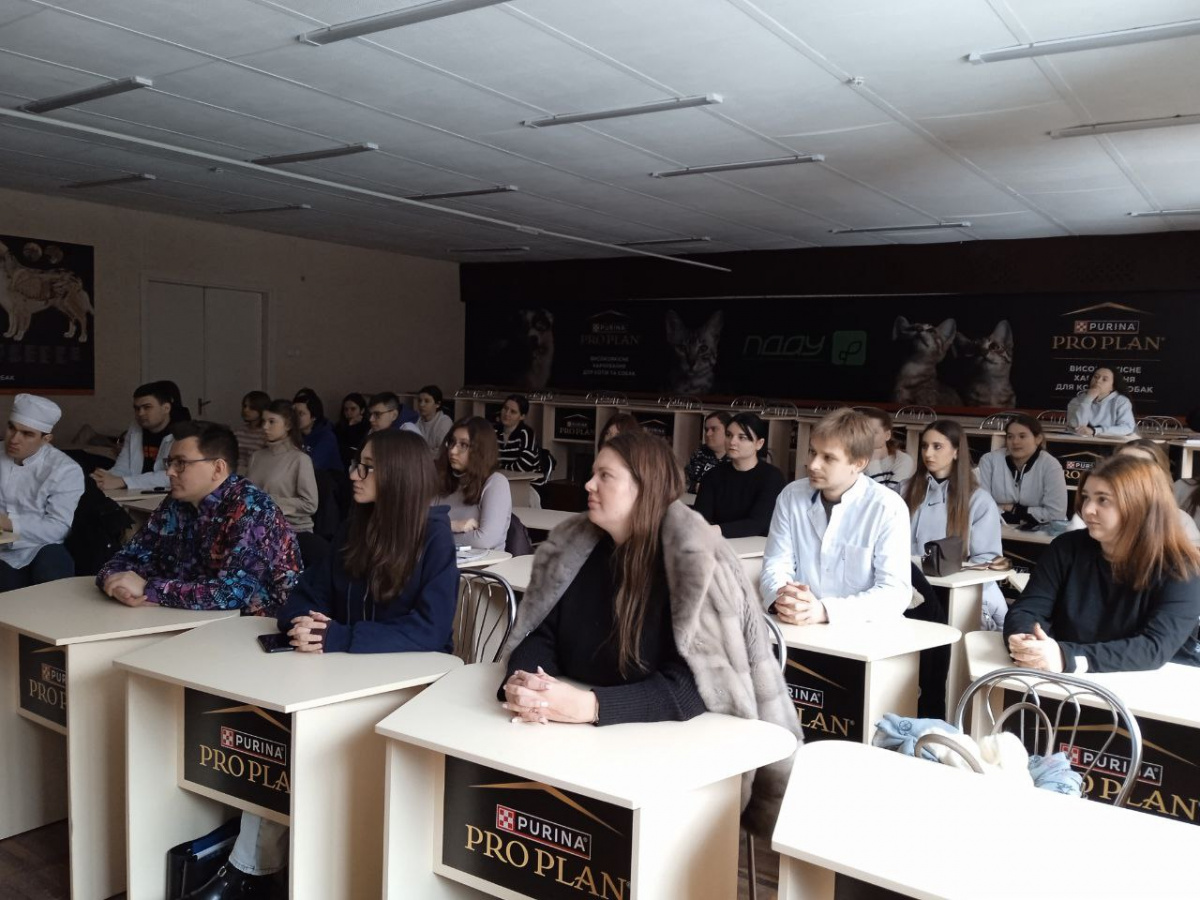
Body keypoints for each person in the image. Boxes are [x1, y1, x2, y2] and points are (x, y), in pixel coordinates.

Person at [181, 431, 463, 900]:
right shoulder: (356, 527)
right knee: (279, 731)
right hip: (343, 674)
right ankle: (255, 867)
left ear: (398, 477)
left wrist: (338, 637)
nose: (354, 474)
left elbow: (431, 631)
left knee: (298, 739)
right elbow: (303, 595)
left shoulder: (433, 537)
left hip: (410, 686)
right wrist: (303, 624)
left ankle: (260, 869)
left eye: (367, 467)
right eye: (357, 463)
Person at [497, 431, 799, 836]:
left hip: (670, 755)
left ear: (643, 489)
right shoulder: (580, 550)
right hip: (584, 744)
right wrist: (526, 683)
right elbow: (542, 634)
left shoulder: (691, 565)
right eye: (592, 473)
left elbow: (695, 686)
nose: (588, 485)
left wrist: (590, 706)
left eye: (605, 476)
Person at [1004, 454, 1200, 673]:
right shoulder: (1066, 547)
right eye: (1086, 497)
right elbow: (1027, 608)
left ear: (1139, 505)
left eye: (1103, 500)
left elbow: (1153, 648)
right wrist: (1026, 641)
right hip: (1065, 679)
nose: (1087, 509)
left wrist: (1067, 658)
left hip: (1151, 686)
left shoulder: (1182, 569)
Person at [96, 420, 302, 613]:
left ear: (218, 468)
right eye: (169, 462)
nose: (169, 472)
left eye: (181, 463)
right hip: (180, 616)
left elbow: (231, 594)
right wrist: (116, 583)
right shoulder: (175, 503)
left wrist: (149, 588)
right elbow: (127, 557)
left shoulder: (252, 510)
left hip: (250, 627)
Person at [760, 409, 911, 624]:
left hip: (862, 629)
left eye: (828, 458)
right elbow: (776, 564)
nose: (813, 464)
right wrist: (784, 598)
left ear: (859, 463)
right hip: (797, 624)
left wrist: (825, 611)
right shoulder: (791, 495)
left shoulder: (887, 507)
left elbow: (895, 592)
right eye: (812, 452)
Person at [906, 419, 1006, 629]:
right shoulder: (903, 490)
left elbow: (986, 560)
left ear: (956, 452)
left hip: (956, 592)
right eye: (924, 446)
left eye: (937, 446)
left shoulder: (979, 500)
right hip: (908, 587)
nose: (928, 453)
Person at [0, 394, 84, 591]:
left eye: (27, 434)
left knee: (53, 572)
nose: (14, 439)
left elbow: (58, 528)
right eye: (11, 428)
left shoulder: (64, 469)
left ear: (46, 439)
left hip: (40, 545)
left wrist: (8, 523)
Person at [693, 412, 785, 537]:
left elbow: (758, 523)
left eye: (742, 437)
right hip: (717, 543)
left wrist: (714, 530)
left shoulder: (772, 477)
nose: (732, 442)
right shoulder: (712, 476)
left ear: (759, 443)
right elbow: (700, 519)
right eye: (729, 435)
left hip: (756, 546)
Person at [976, 414, 1068, 526]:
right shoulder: (989, 461)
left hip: (1040, 531)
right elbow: (981, 506)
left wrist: (1013, 509)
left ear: (1038, 439)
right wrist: (1028, 514)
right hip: (995, 527)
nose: (1015, 442)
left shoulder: (1051, 465)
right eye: (1010, 437)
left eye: (1022, 436)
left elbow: (1056, 514)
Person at [435, 417, 511, 551]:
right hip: (440, 559)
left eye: (463, 445)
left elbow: (484, 540)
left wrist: (436, 536)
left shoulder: (496, 482)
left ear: (481, 450)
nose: (453, 451)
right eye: (452, 442)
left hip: (483, 564)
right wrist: (452, 525)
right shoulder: (441, 480)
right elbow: (418, 528)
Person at [246, 400, 318, 538]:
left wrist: (268, 501)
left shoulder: (300, 459)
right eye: (264, 421)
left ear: (288, 425)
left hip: (291, 532)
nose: (265, 427)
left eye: (272, 422)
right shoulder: (257, 456)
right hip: (258, 529)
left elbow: (310, 504)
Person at [91, 382, 176, 491]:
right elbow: (122, 467)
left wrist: (123, 481)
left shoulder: (183, 434)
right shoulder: (135, 427)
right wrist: (103, 479)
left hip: (165, 495)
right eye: (137, 408)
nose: (140, 413)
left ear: (166, 408)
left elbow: (174, 475)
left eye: (147, 407)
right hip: (135, 492)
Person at [1066, 366, 1136, 437]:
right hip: (1080, 441)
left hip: (1110, 442)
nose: (1098, 381)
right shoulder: (1078, 400)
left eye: (1104, 379)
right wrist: (1087, 400)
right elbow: (1075, 427)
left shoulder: (1121, 401)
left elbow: (1127, 428)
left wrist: (1095, 431)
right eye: (1095, 377)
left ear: (1113, 387)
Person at [860, 408, 915, 494]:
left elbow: (891, 498)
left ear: (887, 435)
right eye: (863, 432)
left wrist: (872, 462)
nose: (867, 436)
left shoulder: (902, 460)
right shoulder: (853, 459)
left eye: (874, 432)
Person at [291, 390, 341, 473]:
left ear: (314, 417)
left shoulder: (327, 437)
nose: (295, 417)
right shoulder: (294, 433)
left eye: (300, 414)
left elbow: (312, 466)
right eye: (293, 413)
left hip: (326, 478)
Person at [685, 410, 731, 494]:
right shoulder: (699, 454)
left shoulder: (738, 457)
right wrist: (696, 487)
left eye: (714, 429)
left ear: (728, 431)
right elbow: (683, 482)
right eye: (706, 430)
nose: (708, 434)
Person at [494, 394, 540, 473]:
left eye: (513, 412)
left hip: (527, 479)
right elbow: (483, 460)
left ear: (522, 416)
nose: (507, 414)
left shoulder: (526, 433)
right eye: (505, 408)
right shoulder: (493, 431)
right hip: (501, 477)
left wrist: (500, 468)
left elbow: (524, 466)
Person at [232, 390, 270, 473]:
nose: (246, 410)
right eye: (245, 406)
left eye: (252, 407)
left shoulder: (266, 433)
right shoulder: (238, 431)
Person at [333, 392, 369, 467]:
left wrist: (353, 426)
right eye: (346, 409)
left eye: (353, 409)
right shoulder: (339, 427)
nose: (349, 413)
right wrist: (350, 426)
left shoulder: (368, 426)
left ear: (362, 410)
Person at [414, 384, 453, 452]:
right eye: (420, 401)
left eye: (427, 401)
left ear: (438, 404)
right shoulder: (418, 422)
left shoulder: (444, 422)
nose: (421, 405)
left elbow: (442, 451)